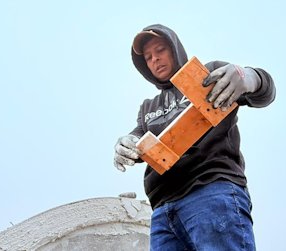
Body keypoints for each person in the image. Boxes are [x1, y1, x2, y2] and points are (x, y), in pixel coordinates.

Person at [113, 24, 276, 251]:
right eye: (148, 57)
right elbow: (137, 138)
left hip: (210, 192)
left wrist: (248, 77)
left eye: (160, 50)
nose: (155, 60)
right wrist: (124, 143)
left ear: (175, 48)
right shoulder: (148, 108)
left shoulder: (206, 75)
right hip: (162, 213)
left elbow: (264, 92)